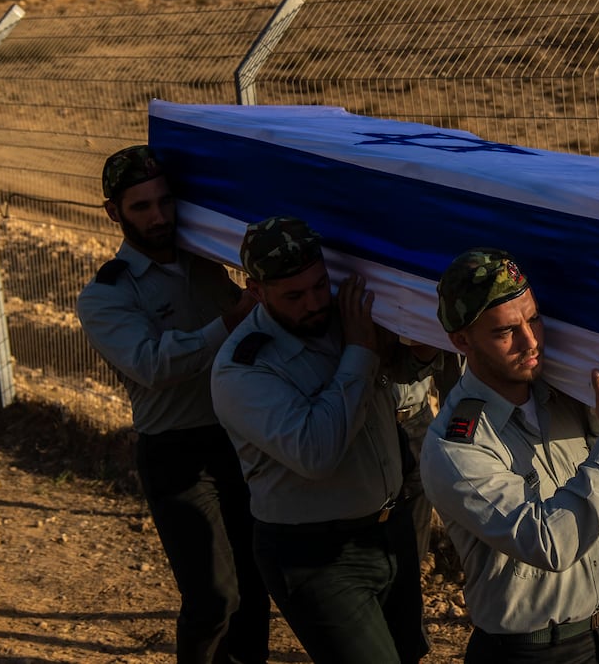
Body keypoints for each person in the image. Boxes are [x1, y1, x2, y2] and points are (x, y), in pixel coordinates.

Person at [75, 145, 269, 664]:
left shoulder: (206, 262)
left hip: (239, 440)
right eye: (141, 207)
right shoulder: (106, 295)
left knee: (255, 589)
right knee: (213, 598)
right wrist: (231, 320)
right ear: (114, 212)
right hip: (178, 456)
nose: (159, 217)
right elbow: (152, 365)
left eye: (165, 202)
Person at [210, 216, 432, 664]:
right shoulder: (242, 369)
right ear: (255, 290)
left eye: (318, 286)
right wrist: (360, 350)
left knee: (408, 654)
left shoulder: (336, 316)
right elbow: (317, 452)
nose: (313, 303)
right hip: (316, 556)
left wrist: (419, 349)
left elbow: (393, 376)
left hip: (389, 532)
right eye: (293, 295)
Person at [421, 248, 599, 664]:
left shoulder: (563, 397)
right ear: (461, 340)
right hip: (531, 653)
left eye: (534, 319)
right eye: (505, 332)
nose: (531, 342)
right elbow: (552, 545)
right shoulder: (457, 445)